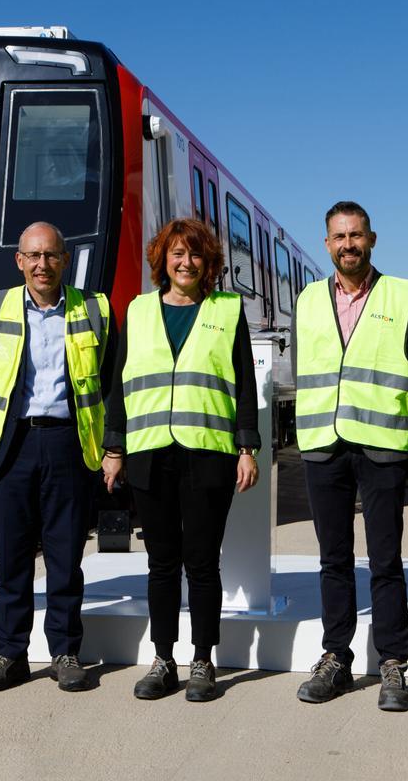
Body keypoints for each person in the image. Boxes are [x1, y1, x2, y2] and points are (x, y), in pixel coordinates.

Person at [102, 218, 260, 702]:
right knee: (162, 564)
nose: (185, 262)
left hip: (208, 452)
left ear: (207, 261)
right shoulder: (138, 310)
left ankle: (203, 661)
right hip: (150, 452)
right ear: (162, 259)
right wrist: (113, 448)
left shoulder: (227, 310)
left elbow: (244, 384)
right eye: (176, 253)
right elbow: (119, 384)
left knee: (203, 564)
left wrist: (247, 447)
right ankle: (163, 660)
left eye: (194, 254)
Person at [292, 201, 408, 711]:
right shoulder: (308, 299)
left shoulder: (402, 293)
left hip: (382, 446)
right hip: (323, 446)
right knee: (333, 560)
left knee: (386, 561)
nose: (348, 244)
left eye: (356, 235)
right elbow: (303, 364)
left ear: (371, 239)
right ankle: (336, 658)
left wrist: (395, 417)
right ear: (327, 244)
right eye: (339, 236)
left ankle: (393, 663)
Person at [0, 221, 115, 693]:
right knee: (12, 559)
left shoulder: (94, 308)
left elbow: (110, 379)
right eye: (33, 256)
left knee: (65, 556)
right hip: (12, 444)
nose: (42, 264)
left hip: (69, 442)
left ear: (65, 260)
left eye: (51, 255)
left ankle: (65, 652)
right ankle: (10, 654)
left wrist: (112, 447)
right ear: (19, 261)